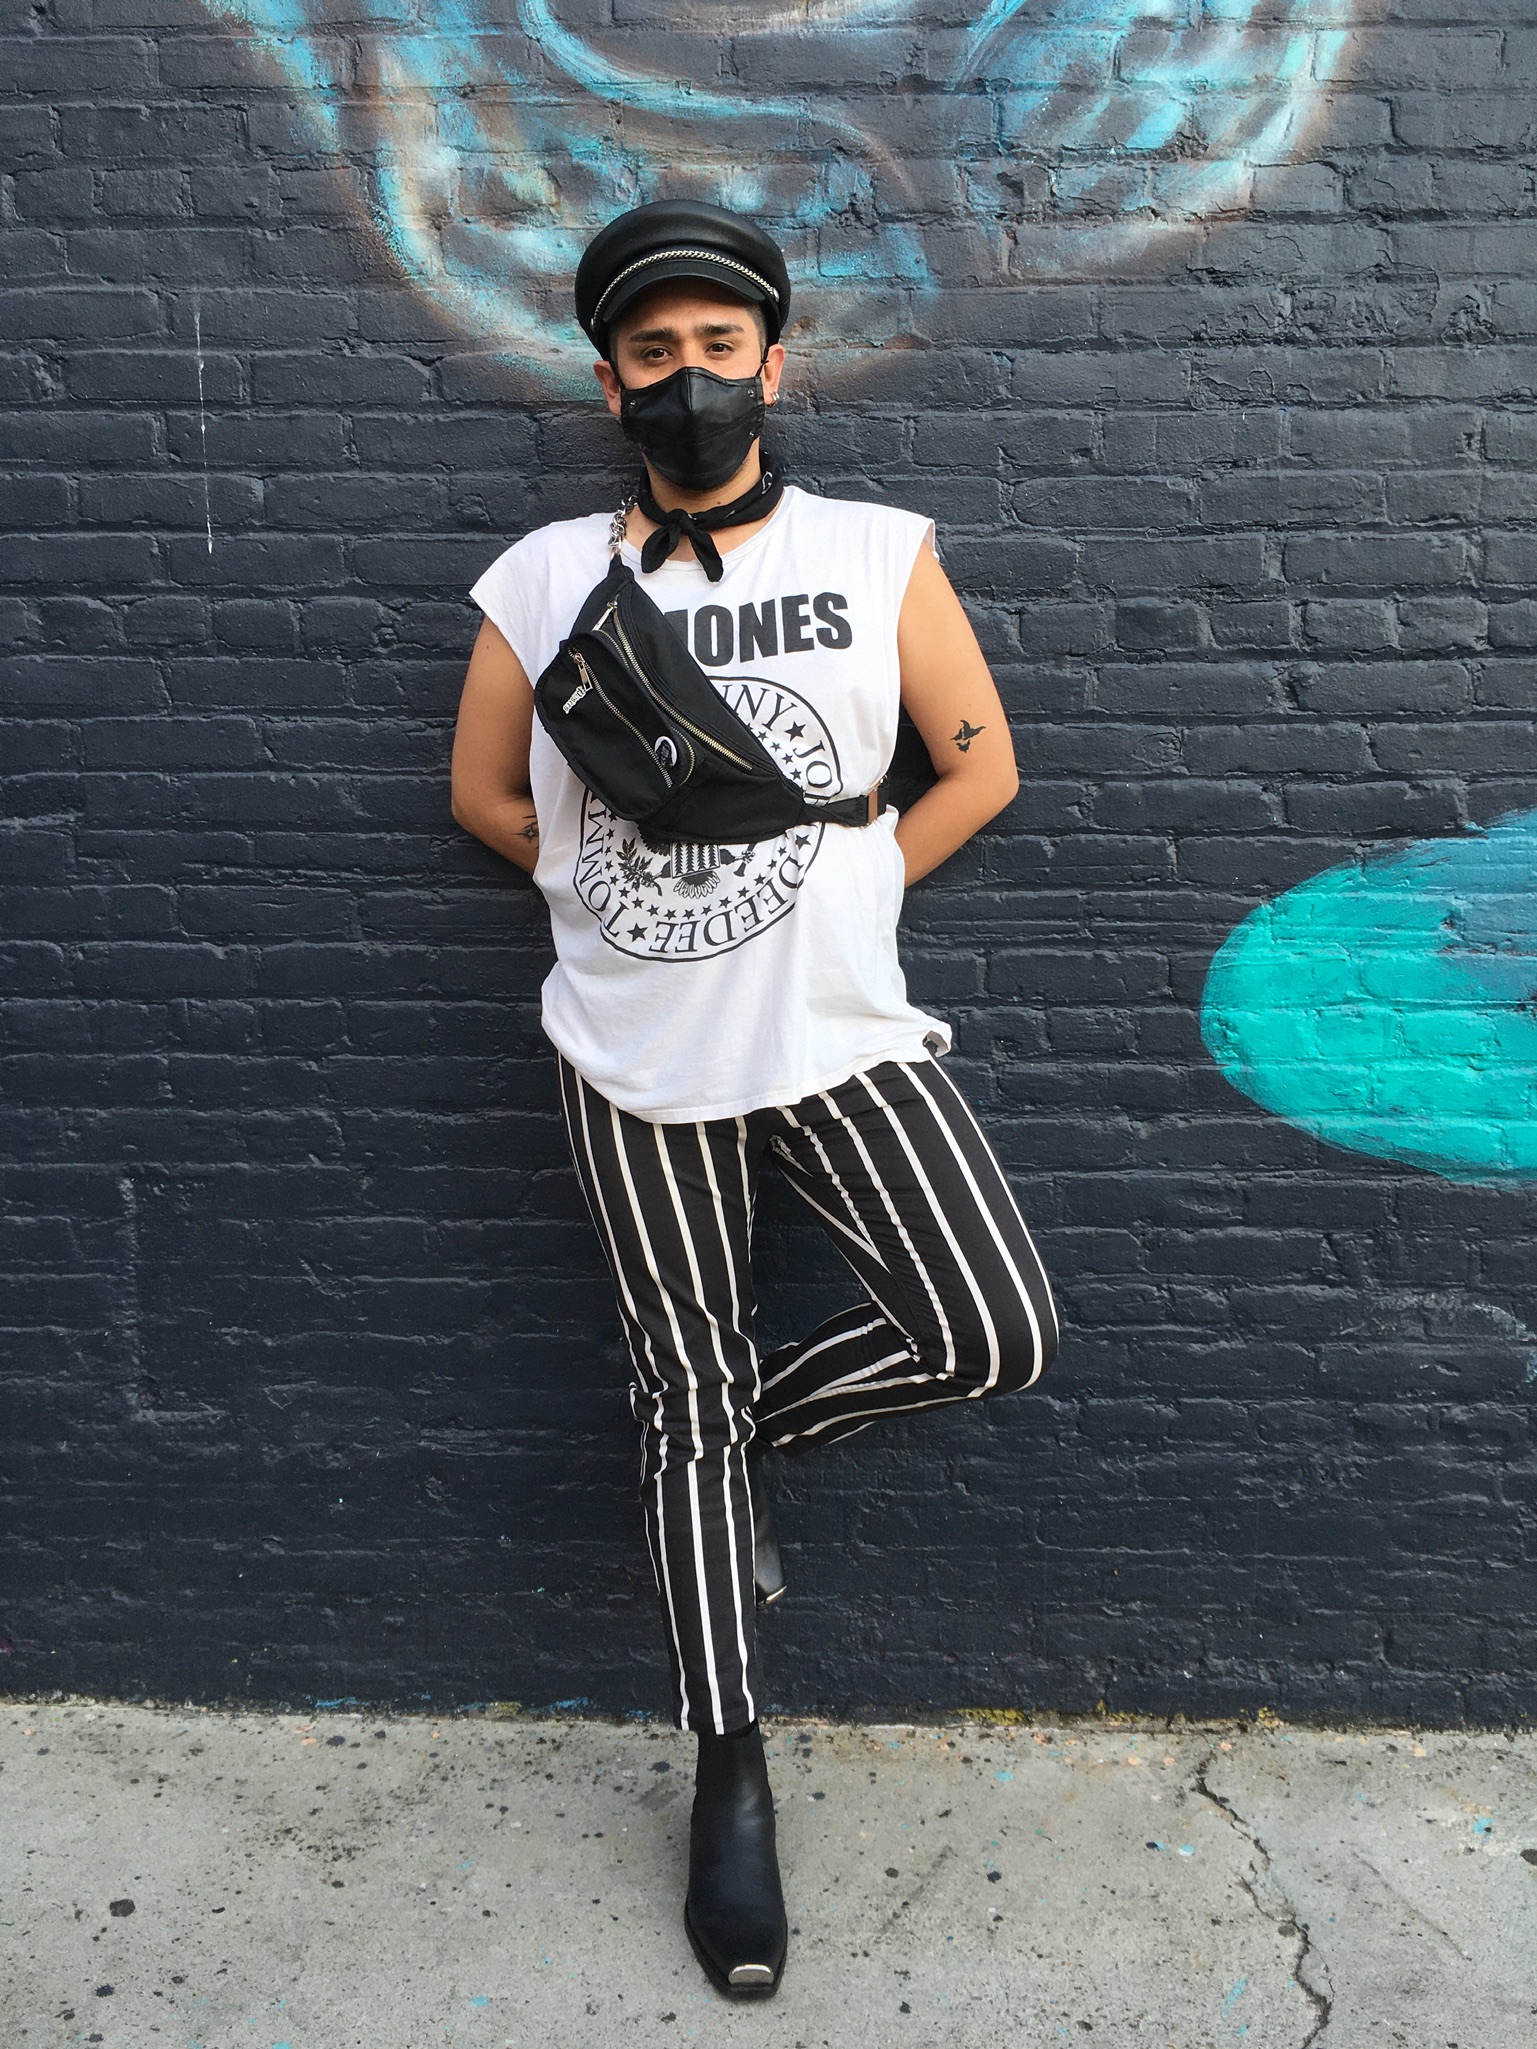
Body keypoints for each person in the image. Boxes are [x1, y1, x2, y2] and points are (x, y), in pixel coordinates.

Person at [450, 199, 1059, 2001]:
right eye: (655, 354)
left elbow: (979, 760)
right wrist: (595, 887)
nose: (692, 381)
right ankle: (729, 1770)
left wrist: (863, 879)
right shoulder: (547, 576)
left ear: (775, 365)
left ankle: (723, 1469)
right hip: (632, 1055)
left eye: (722, 350)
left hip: (845, 1033)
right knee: (678, 1379)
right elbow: (488, 796)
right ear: (608, 380)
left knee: (988, 1325)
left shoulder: (876, 552)